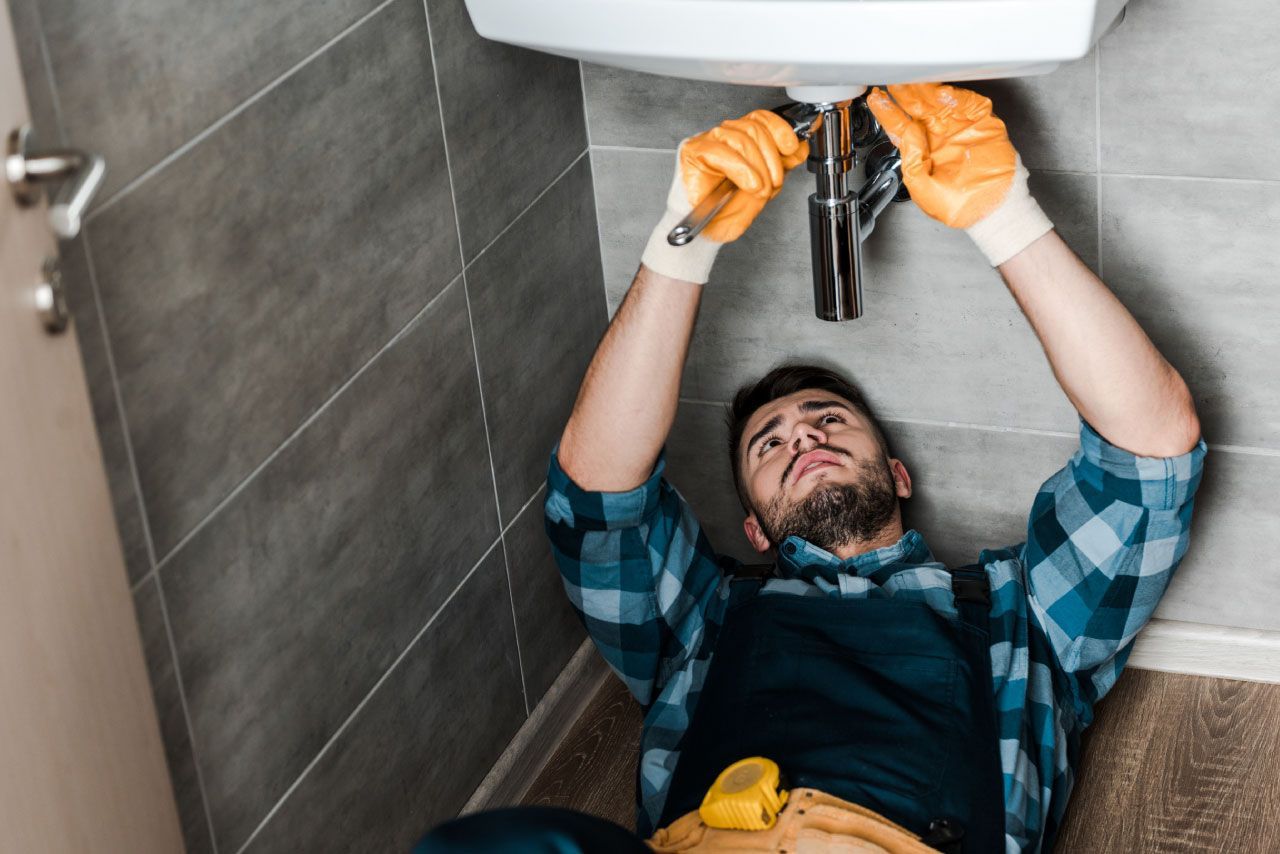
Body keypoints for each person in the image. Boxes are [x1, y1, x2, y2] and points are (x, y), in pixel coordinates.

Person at [419, 84, 1206, 853]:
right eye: (770, 443)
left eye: (830, 420)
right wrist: (681, 245)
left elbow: (1151, 453)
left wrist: (1004, 215)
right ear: (754, 527)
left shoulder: (1023, 615)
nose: (802, 438)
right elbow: (595, 500)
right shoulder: (701, 617)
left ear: (899, 475)